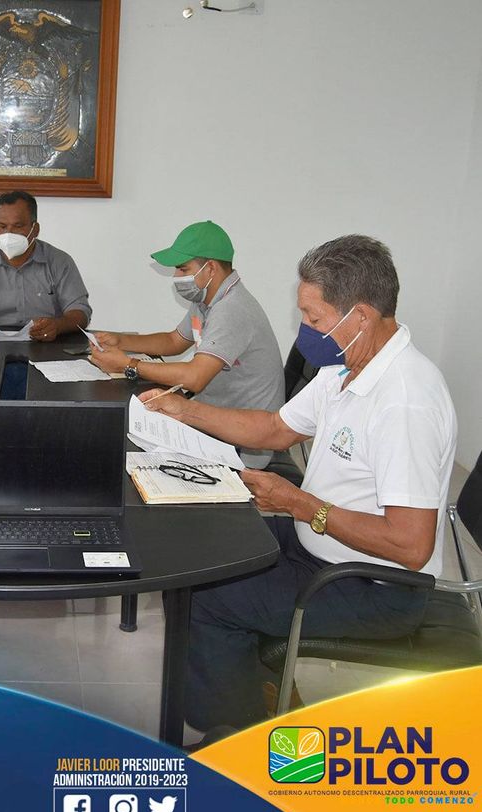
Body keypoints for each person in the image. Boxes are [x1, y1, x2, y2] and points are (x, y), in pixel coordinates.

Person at [139, 234, 457, 733]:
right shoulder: (345, 368)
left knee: (205, 595)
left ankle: (234, 737)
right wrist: (184, 410)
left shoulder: (404, 403)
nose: (304, 329)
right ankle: (258, 690)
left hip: (372, 585)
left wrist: (300, 504)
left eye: (313, 317)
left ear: (361, 316)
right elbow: (274, 428)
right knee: (205, 552)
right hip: (322, 548)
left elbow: (412, 546)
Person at [89, 221, 284, 469]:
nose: (177, 277)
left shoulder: (232, 309)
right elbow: (174, 341)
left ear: (210, 268)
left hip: (243, 441)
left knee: (132, 449)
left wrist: (129, 364)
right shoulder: (207, 299)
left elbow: (194, 378)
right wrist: (121, 340)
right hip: (214, 415)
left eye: (183, 269)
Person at [0, 190, 92, 342]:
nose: (8, 233)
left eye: (18, 226)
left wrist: (57, 326)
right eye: (2, 226)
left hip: (46, 344)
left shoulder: (60, 262)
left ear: (35, 229)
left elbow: (80, 312)